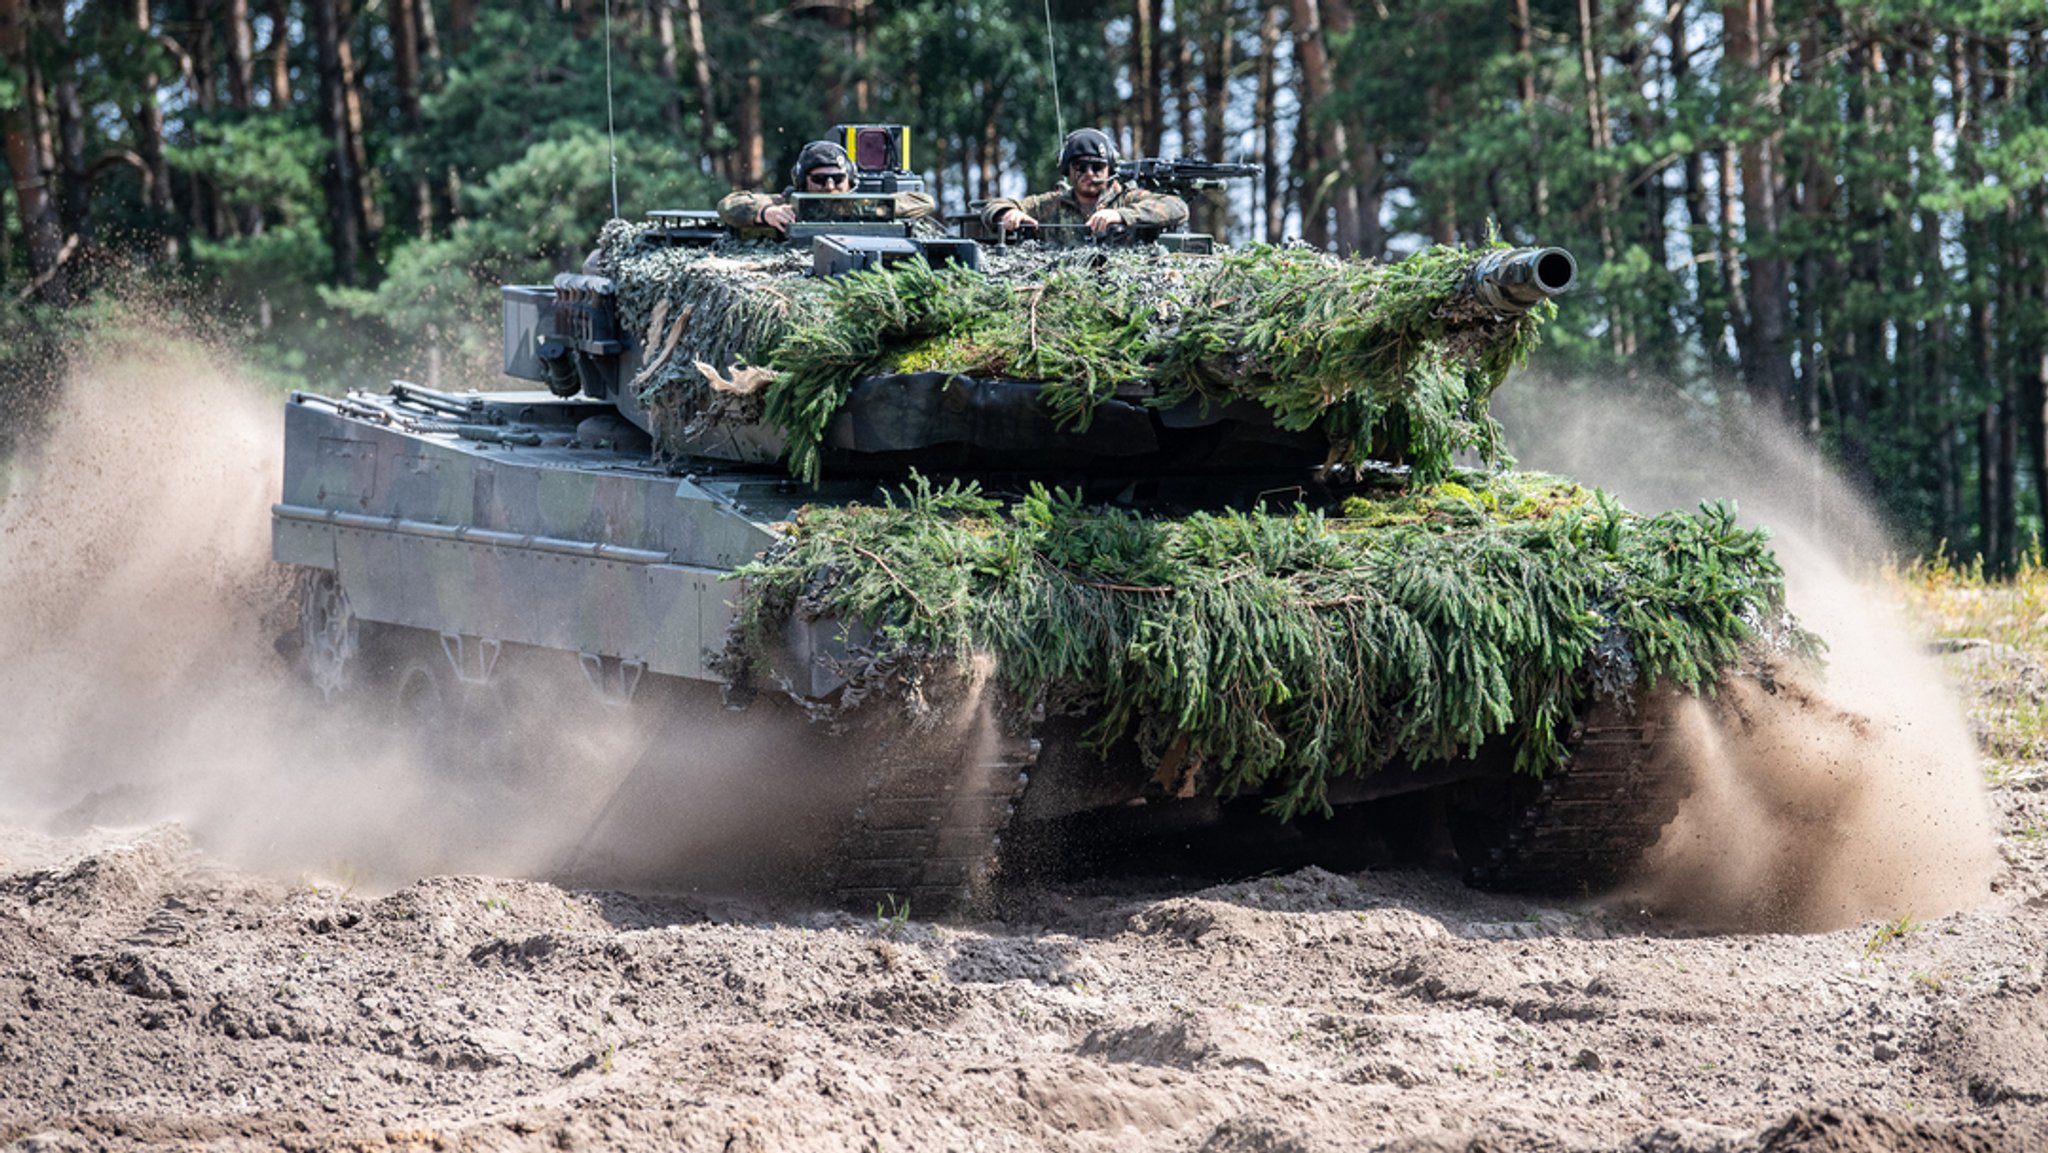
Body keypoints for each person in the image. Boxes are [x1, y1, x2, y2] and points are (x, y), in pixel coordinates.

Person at [980, 128, 1188, 238]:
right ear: (1067, 170)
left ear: (1110, 169)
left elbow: (1177, 207)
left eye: (1097, 167)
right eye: (1080, 167)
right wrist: (1007, 213)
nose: (1089, 173)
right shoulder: (1050, 204)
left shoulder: (1126, 199)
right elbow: (993, 205)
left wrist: (1120, 215)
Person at [718, 139, 936, 234]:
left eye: (838, 179)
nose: (830, 186)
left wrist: (876, 208)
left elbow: (924, 202)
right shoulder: (787, 204)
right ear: (803, 182)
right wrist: (766, 213)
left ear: (850, 180)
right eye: (820, 180)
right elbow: (729, 204)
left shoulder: (864, 203)